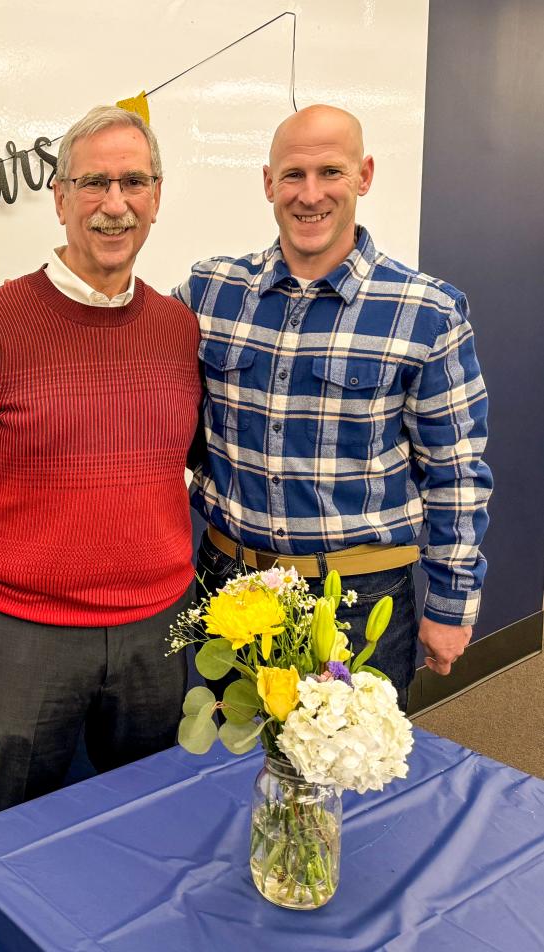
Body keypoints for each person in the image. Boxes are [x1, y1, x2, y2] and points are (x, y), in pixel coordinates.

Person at [0, 105, 201, 818]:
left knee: (153, 818)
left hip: (159, 630)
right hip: (23, 637)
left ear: (156, 197)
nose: (114, 204)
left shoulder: (177, 327)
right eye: (93, 183)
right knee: (10, 831)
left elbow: (194, 455)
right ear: (59, 198)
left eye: (133, 182)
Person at [175, 104, 492, 711]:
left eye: (331, 172)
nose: (310, 194)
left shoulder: (425, 312)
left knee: (344, 780)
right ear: (268, 182)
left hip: (357, 595)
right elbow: (122, 345)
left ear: (364, 175)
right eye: (293, 174)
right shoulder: (209, 294)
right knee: (230, 774)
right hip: (230, 587)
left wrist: (452, 606)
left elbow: (457, 474)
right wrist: (39, 316)